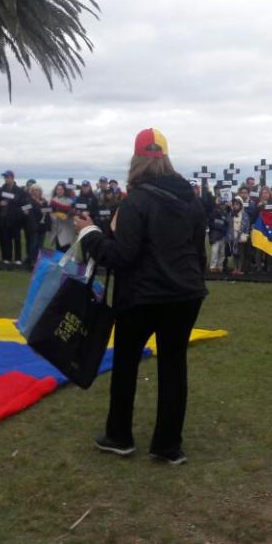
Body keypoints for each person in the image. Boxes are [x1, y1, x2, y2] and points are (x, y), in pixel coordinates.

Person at [73, 128, 207, 465]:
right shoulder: (191, 200)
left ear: (136, 159)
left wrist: (89, 234)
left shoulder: (135, 201)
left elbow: (122, 256)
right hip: (185, 293)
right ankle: (168, 444)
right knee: (174, 367)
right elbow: (196, 252)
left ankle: (119, 435)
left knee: (126, 364)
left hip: (143, 296)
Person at [0, 171, 26, 265]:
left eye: (8, 177)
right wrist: (0, 203)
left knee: (17, 240)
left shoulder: (19, 190)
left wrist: (9, 202)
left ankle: (18, 258)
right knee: (7, 239)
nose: (6, 179)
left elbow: (21, 202)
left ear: (13, 178)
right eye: (5, 177)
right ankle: (7, 258)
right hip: (4, 218)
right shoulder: (2, 189)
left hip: (15, 219)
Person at [226, 196, 251, 276]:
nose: (235, 206)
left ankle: (239, 269)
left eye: (237, 204)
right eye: (234, 204)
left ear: (241, 205)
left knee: (240, 254)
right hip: (232, 236)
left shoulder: (245, 215)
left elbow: (247, 226)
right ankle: (235, 268)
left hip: (240, 237)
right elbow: (228, 224)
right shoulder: (230, 214)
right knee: (234, 253)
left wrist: (246, 234)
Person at [25, 185, 49, 266]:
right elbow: (24, 209)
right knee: (33, 244)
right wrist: (25, 211)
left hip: (42, 226)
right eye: (35, 190)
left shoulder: (44, 201)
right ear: (31, 191)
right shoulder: (29, 200)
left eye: (38, 190)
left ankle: (38, 260)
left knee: (40, 245)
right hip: (33, 225)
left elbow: (48, 210)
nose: (36, 192)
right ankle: (31, 260)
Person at [49, 182, 76, 252]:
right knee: (58, 247)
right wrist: (54, 216)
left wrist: (67, 215)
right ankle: (59, 262)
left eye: (61, 189)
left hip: (66, 227)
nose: (59, 191)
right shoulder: (52, 201)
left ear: (64, 191)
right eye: (58, 189)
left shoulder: (70, 201)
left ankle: (65, 262)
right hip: (56, 226)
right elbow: (50, 212)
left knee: (66, 246)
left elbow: (73, 212)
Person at [208, 197, 229, 273]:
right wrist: (221, 224)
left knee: (222, 253)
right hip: (215, 234)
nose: (223, 205)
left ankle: (220, 267)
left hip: (223, 235)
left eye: (224, 204)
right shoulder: (214, 212)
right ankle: (213, 267)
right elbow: (211, 223)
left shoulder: (226, 213)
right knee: (214, 251)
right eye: (222, 204)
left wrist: (222, 224)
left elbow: (227, 224)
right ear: (219, 204)